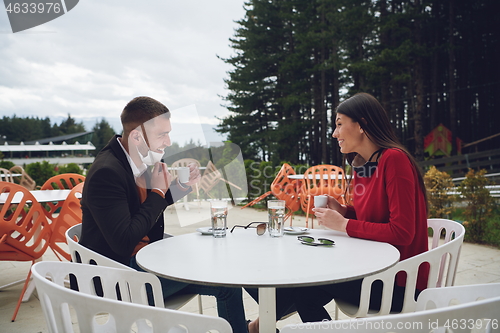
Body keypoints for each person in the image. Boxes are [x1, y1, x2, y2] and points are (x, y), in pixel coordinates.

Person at [79, 96, 249, 333]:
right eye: (162, 134)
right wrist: (158, 191)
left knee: (223, 278)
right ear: (137, 136)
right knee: (220, 276)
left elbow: (143, 207)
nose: (168, 141)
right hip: (120, 278)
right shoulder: (107, 173)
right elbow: (123, 241)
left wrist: (182, 187)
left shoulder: (132, 159)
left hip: (140, 263)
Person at [291, 92, 430, 322]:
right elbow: (377, 216)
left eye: (339, 125)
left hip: (399, 282)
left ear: (362, 125)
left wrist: (345, 225)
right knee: (304, 288)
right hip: (376, 271)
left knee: (305, 286)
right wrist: (345, 211)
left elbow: (402, 232)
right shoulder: (363, 165)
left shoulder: (394, 160)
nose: (334, 133)